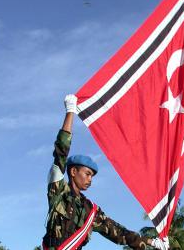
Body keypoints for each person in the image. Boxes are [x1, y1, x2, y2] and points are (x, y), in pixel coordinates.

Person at [42, 94, 169, 250]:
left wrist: (153, 242)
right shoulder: (58, 190)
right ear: (73, 171)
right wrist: (70, 112)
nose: (90, 179)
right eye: (87, 174)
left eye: (92, 176)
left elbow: (119, 232)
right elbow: (61, 152)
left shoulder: (90, 210)